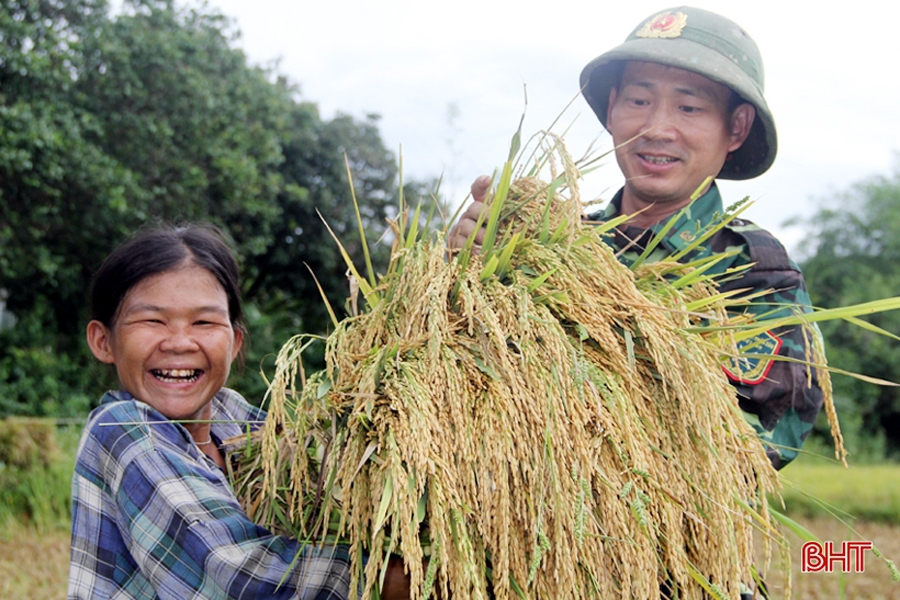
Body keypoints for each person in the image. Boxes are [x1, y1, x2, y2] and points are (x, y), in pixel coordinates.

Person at [449, 6, 824, 472]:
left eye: (689, 107)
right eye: (639, 101)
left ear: (736, 128)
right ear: (612, 110)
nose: (656, 128)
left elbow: (754, 448)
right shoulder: (554, 243)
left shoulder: (754, 272)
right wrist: (462, 277)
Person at [68, 224, 410, 599]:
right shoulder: (124, 430)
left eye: (204, 322)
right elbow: (245, 582)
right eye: (153, 320)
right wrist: (411, 575)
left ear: (234, 342)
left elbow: (354, 477)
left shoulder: (243, 425)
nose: (180, 342)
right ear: (104, 341)